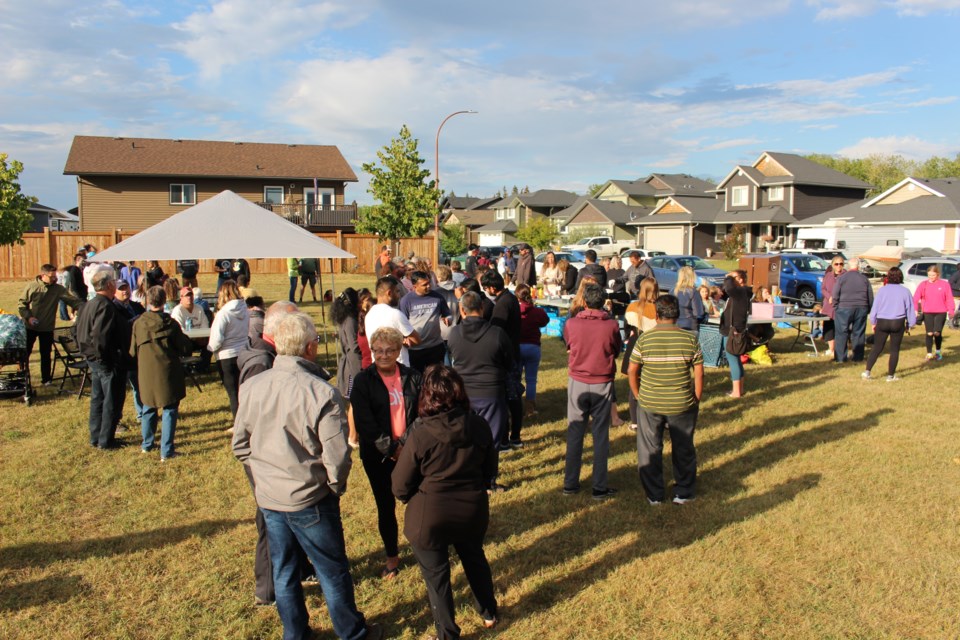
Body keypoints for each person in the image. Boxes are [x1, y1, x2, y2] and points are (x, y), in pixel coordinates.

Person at [232, 312, 382, 640]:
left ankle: (295, 633)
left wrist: (265, 476)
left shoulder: (253, 386)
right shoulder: (321, 393)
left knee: (284, 571)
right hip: (310, 498)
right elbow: (338, 457)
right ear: (310, 348)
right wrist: (332, 485)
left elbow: (240, 445)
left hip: (271, 498)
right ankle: (352, 632)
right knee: (331, 571)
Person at [392, 365, 499, 639]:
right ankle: (488, 612)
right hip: (471, 511)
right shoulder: (479, 425)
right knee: (475, 558)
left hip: (430, 517)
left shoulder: (420, 433)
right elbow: (490, 471)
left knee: (437, 576)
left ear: (427, 397)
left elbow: (400, 485)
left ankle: (448, 633)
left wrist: (416, 495)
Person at [349, 327, 422, 580]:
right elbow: (365, 421)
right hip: (377, 456)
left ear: (398, 350)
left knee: (418, 501)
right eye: (378, 350)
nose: (383, 355)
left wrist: (404, 444)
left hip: (410, 452)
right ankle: (392, 557)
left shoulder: (413, 377)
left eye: (389, 350)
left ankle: (425, 546)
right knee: (385, 506)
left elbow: (420, 414)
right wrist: (390, 448)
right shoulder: (362, 381)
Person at [628, 294, 704, 505]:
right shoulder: (689, 339)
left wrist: (637, 395)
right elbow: (699, 372)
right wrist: (696, 398)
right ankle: (684, 493)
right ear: (677, 314)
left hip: (650, 402)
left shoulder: (645, 339)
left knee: (650, 448)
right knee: (684, 447)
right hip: (682, 403)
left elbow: (631, 370)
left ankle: (654, 494)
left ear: (658, 314)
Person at [447, 291, 514, 493]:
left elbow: (451, 357)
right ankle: (488, 481)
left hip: (463, 392)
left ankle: (466, 476)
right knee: (492, 439)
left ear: (462, 310)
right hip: (491, 392)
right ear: (482, 309)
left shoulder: (454, 334)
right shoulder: (497, 334)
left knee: (465, 437)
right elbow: (509, 362)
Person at [562, 283, 622, 499]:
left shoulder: (571, 323)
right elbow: (616, 349)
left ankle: (570, 484)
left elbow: (568, 345)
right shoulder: (612, 325)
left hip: (578, 380)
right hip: (602, 381)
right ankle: (598, 486)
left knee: (575, 432)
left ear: (584, 302)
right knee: (600, 434)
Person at [130, 286, 194, 461]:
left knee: (148, 406)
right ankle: (166, 450)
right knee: (170, 409)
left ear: (147, 301)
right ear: (165, 300)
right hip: (167, 371)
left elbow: (133, 351)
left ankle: (147, 444)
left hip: (146, 371)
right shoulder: (171, 324)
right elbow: (184, 346)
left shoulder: (138, 323)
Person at [75, 270, 124, 449]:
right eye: (113, 282)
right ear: (109, 285)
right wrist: (107, 357)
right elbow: (100, 336)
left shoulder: (88, 304)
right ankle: (106, 440)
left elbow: (79, 332)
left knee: (97, 398)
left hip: (91, 358)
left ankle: (96, 436)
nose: (115, 285)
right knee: (110, 399)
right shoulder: (105, 306)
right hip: (102, 359)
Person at [18, 263, 83, 386]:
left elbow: (73, 301)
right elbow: (22, 305)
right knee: (25, 353)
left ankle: (46, 380)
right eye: (52, 276)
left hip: (47, 328)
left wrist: (86, 307)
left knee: (46, 354)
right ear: (43, 275)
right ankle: (22, 378)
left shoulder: (58, 289)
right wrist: (29, 317)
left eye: (55, 276)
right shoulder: (32, 287)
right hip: (30, 326)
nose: (55, 278)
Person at [481, 270, 525, 450]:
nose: (485, 291)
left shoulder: (502, 304)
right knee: (512, 398)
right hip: (513, 353)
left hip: (506, 358)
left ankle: (508, 439)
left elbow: (495, 332)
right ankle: (514, 437)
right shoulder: (509, 298)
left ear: (492, 287)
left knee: (508, 399)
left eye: (485, 288)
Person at [863, 267, 916, 382]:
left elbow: (875, 308)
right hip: (898, 322)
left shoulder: (882, 290)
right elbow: (910, 309)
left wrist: (873, 321)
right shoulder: (905, 291)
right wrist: (910, 324)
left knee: (877, 347)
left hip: (882, 321)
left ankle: (867, 371)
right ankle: (890, 376)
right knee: (894, 350)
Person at [208, 280, 250, 419]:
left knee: (233, 393)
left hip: (227, 356)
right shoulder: (245, 310)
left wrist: (209, 350)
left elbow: (217, 340)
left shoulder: (223, 314)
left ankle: (239, 424)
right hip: (243, 353)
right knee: (243, 390)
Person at [622, 277, 659, 431]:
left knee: (634, 384)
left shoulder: (632, 307)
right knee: (653, 385)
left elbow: (626, 328)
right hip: (652, 347)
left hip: (635, 344)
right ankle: (654, 418)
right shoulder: (658, 309)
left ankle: (635, 421)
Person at [400, 271, 452, 373]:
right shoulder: (406, 301)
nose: (429, 286)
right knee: (418, 379)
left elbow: (447, 314)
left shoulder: (437, 297)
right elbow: (402, 323)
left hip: (435, 347)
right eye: (424, 285)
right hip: (415, 350)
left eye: (429, 283)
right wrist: (405, 339)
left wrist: (448, 319)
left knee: (436, 378)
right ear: (414, 286)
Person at [364, 276, 421, 367]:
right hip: (398, 368)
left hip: (378, 367)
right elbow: (417, 339)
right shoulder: (395, 314)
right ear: (389, 293)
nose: (399, 295)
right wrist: (403, 340)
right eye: (397, 291)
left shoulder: (369, 315)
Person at [112, 279, 145, 430]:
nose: (124, 291)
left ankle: (143, 414)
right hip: (121, 352)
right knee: (118, 390)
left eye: (126, 287)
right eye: (121, 288)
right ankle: (116, 419)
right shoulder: (113, 308)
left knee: (139, 384)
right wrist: (136, 320)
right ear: (114, 291)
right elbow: (120, 328)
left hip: (138, 350)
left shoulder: (137, 306)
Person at [832, 257, 873, 363]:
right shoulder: (864, 278)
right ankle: (858, 357)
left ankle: (840, 358)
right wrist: (868, 308)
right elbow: (870, 295)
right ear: (858, 266)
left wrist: (836, 306)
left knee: (841, 332)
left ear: (848, 266)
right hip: (861, 307)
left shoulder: (842, 278)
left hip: (844, 307)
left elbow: (835, 294)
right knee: (858, 332)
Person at [516, 284, 549, 416]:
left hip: (517, 347)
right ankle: (530, 408)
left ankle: (515, 404)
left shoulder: (514, 311)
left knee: (516, 378)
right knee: (531, 380)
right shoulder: (537, 311)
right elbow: (544, 321)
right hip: (533, 347)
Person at [913, 264, 954, 362]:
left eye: (933, 275)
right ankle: (929, 353)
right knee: (929, 333)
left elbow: (949, 298)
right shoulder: (923, 284)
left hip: (941, 312)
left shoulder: (944, 284)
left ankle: (938, 352)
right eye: (929, 275)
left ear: (938, 274)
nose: (931, 277)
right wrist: (915, 310)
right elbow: (915, 298)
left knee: (937, 333)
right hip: (927, 312)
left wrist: (951, 311)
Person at [719, 274, 751, 398]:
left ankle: (736, 392)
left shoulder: (740, 292)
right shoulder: (743, 293)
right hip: (736, 329)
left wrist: (728, 277)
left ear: (740, 280)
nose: (730, 281)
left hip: (732, 331)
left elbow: (729, 288)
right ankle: (740, 389)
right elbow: (725, 289)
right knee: (736, 359)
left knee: (732, 359)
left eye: (734, 278)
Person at [333, 288, 363, 399]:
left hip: (351, 362)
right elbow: (354, 345)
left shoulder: (345, 318)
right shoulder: (350, 320)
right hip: (353, 365)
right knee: (355, 398)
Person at [821, 257, 844, 358]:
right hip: (829, 306)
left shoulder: (846, 275)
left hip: (840, 305)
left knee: (840, 328)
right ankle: (831, 349)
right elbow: (823, 288)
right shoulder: (828, 276)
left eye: (841, 264)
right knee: (829, 328)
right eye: (836, 264)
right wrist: (829, 297)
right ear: (832, 265)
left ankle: (839, 349)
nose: (839, 266)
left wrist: (835, 298)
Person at [674, 266, 706, 333]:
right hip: (689, 326)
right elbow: (698, 313)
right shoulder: (693, 292)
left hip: (675, 325)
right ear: (692, 277)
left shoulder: (673, 291)